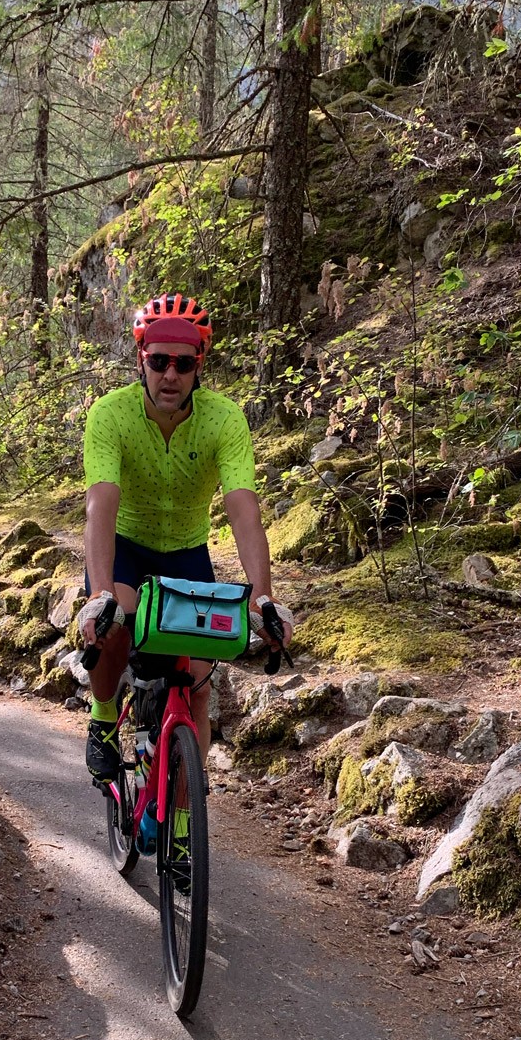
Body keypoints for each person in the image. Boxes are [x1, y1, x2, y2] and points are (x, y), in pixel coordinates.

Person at [78, 292, 294, 783]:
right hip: (126, 548)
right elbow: (101, 505)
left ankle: (181, 827)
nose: (169, 375)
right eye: (158, 361)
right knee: (115, 623)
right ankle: (105, 718)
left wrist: (263, 598)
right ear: (142, 359)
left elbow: (244, 511)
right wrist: (99, 593)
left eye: (182, 363)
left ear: (199, 365)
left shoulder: (224, 419)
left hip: (187, 555)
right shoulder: (110, 415)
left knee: (195, 686)